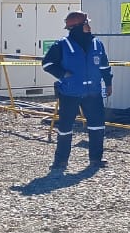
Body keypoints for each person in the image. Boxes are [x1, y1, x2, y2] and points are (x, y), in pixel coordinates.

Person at [42, 11, 113, 171]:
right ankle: (60, 162)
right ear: (78, 27)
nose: (89, 25)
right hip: (70, 93)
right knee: (65, 127)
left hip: (93, 93)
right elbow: (47, 64)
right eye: (86, 23)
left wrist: (108, 83)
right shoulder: (62, 45)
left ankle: (96, 159)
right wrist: (62, 74)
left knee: (97, 126)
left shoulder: (97, 44)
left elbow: (104, 67)